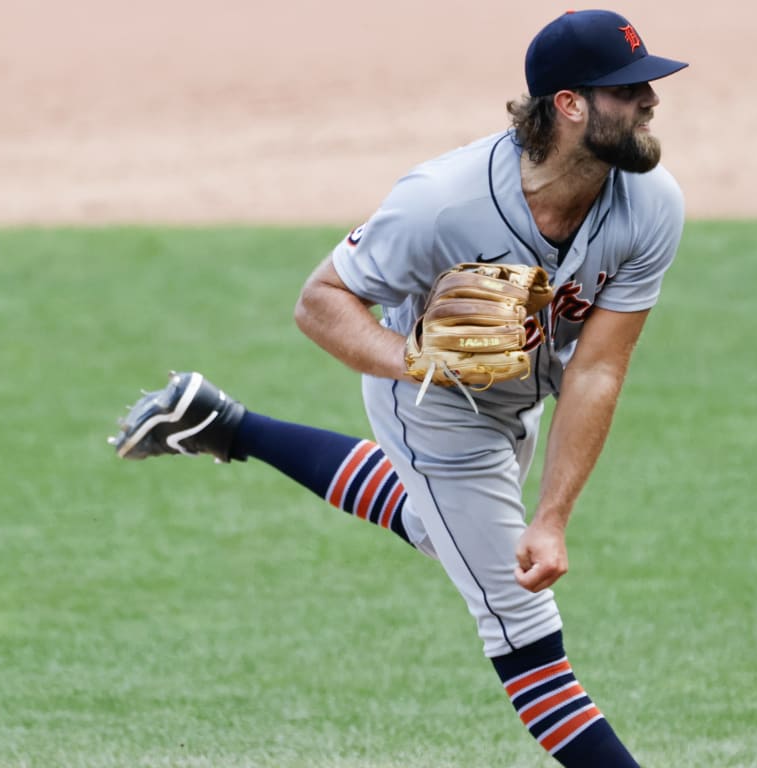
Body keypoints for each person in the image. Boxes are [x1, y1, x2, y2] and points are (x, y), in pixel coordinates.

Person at [109, 10, 688, 766]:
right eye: (629, 89)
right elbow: (320, 301)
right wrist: (420, 362)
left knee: (439, 528)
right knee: (525, 633)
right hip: (434, 409)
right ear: (570, 105)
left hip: (522, 398)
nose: (650, 100)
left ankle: (224, 424)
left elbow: (600, 367)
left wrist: (553, 514)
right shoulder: (442, 201)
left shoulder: (650, 204)